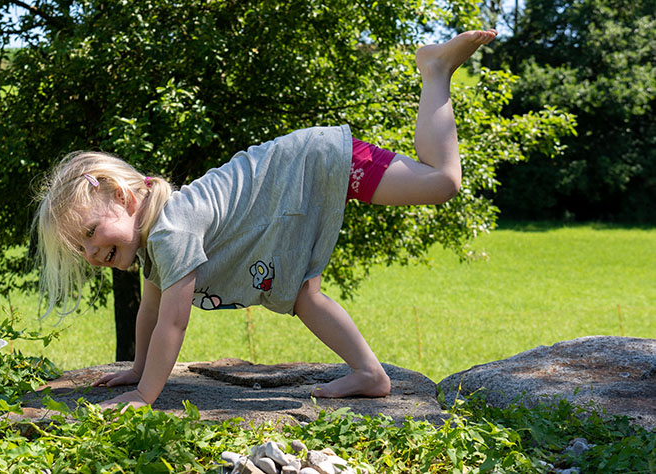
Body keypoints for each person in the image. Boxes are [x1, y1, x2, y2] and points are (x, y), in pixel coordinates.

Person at [32, 30, 498, 410]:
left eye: (92, 234)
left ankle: (434, 70)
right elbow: (149, 313)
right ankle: (370, 374)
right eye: (82, 249)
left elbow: (172, 325)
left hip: (313, 165)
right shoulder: (156, 241)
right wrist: (136, 368)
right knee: (302, 295)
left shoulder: (171, 231)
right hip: (296, 181)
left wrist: (144, 393)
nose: (93, 255)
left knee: (442, 182)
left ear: (123, 196)